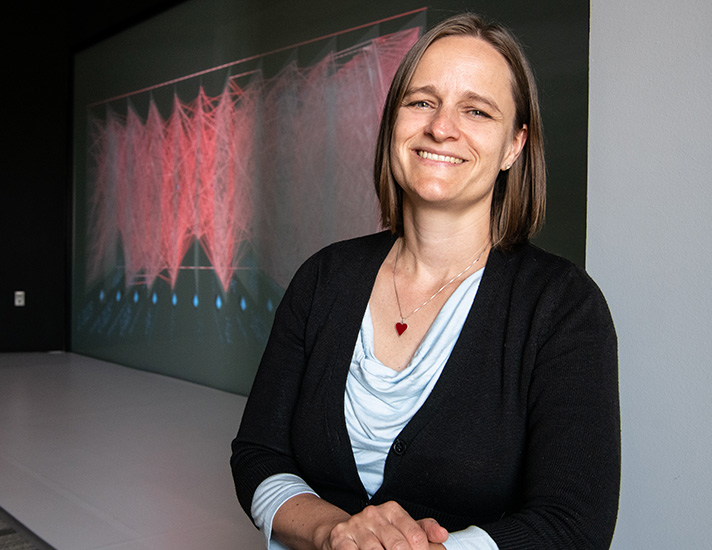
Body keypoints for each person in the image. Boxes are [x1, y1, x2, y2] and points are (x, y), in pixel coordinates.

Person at [231, 12, 620, 550]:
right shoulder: (323, 278)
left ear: (514, 146)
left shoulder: (562, 307)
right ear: (395, 121)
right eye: (421, 102)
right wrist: (333, 532)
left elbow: (574, 523)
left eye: (477, 110)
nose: (442, 127)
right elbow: (258, 455)